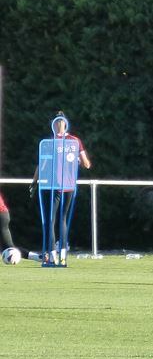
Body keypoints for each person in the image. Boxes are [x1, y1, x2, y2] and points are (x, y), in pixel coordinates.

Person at [30, 112, 91, 265]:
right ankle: (58, 254)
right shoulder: (73, 141)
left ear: (61, 123)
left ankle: (54, 255)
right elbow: (86, 164)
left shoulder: (52, 143)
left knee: (52, 220)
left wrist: (34, 181)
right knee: (60, 219)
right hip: (67, 185)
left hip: (56, 185)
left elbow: (86, 164)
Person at [0, 191, 41, 263]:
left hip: (1, 215)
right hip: (3, 214)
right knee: (9, 247)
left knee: (8, 247)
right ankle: (38, 257)